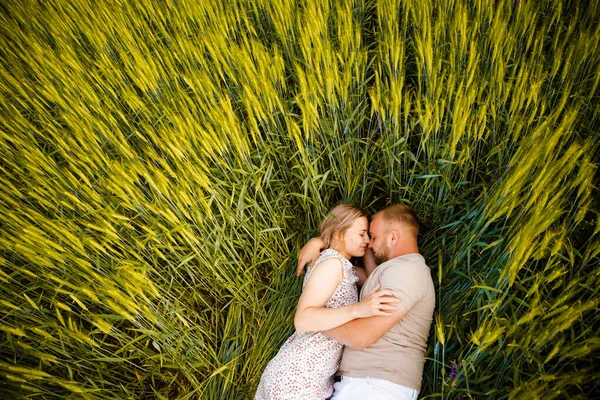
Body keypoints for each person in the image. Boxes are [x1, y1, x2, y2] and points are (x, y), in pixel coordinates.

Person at [255, 204, 400, 400]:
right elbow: (303, 320)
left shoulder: (344, 266)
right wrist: (358, 310)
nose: (366, 240)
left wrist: (363, 244)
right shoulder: (331, 264)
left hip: (310, 379)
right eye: (362, 234)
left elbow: (374, 279)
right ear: (340, 233)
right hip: (298, 377)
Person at [297, 204, 435, 400]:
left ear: (393, 238)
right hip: (364, 383)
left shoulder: (408, 273)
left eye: (374, 237)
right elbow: (346, 268)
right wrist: (319, 241)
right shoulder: (391, 270)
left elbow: (361, 337)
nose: (369, 243)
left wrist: (315, 321)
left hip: (378, 384)